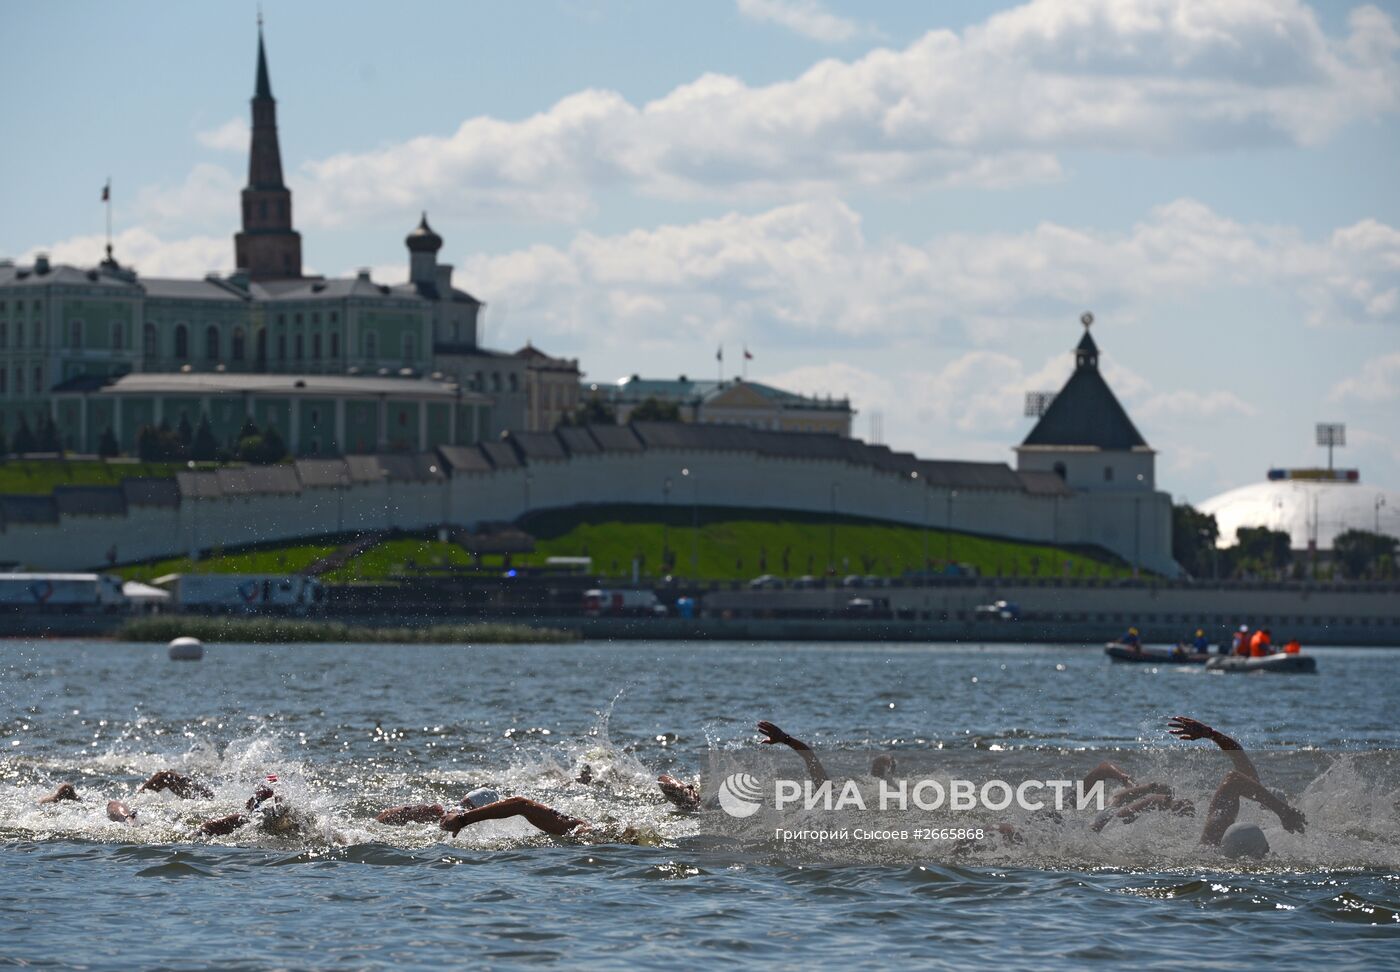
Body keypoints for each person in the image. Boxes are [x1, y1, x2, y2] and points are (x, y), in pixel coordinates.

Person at [1167, 715, 1306, 858]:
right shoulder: (1276, 847)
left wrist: (1211, 734)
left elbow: (1235, 778)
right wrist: (1284, 811)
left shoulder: (1211, 842)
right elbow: (1235, 778)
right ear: (1266, 849)